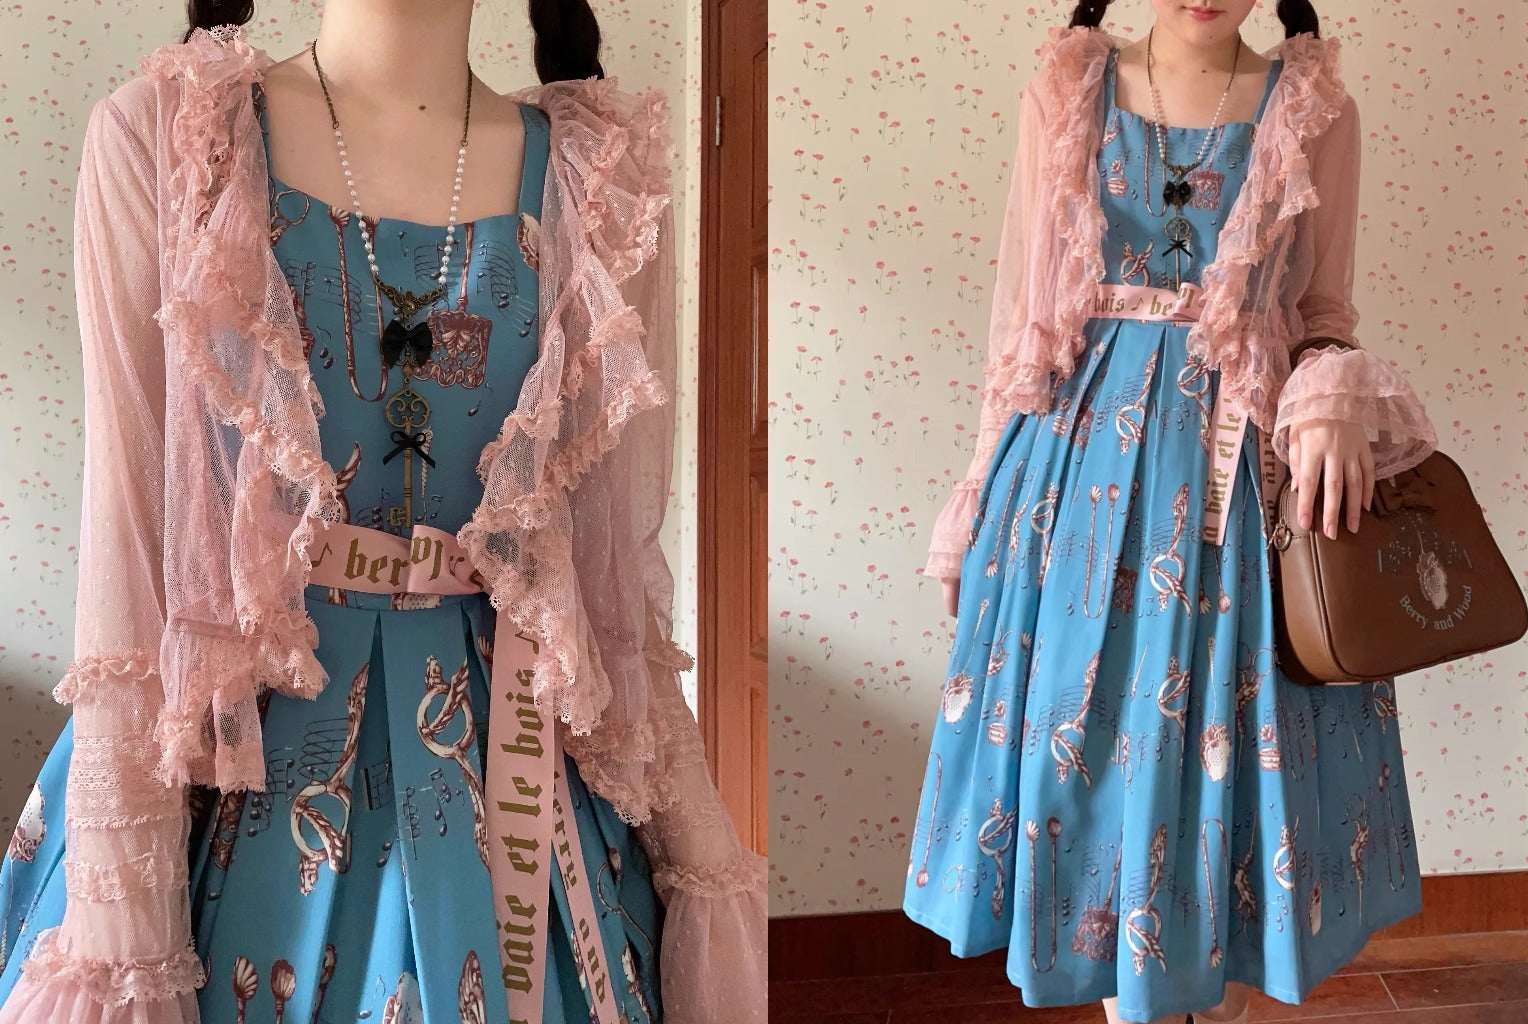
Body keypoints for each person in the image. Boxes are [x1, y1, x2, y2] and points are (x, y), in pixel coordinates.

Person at [0, 2, 766, 1022]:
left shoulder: (592, 177)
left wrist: (696, 850)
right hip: (244, 787)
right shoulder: (170, 140)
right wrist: (128, 941)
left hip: (518, 760)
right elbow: (134, 569)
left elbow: (608, 583)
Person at [904, 2, 1439, 1023]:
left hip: (1244, 488)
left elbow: (1323, 311)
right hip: (1074, 486)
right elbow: (1023, 321)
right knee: (1088, 760)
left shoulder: (1316, 107)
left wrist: (1330, 394)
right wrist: (974, 500)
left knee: (1234, 758)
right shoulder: (1067, 90)